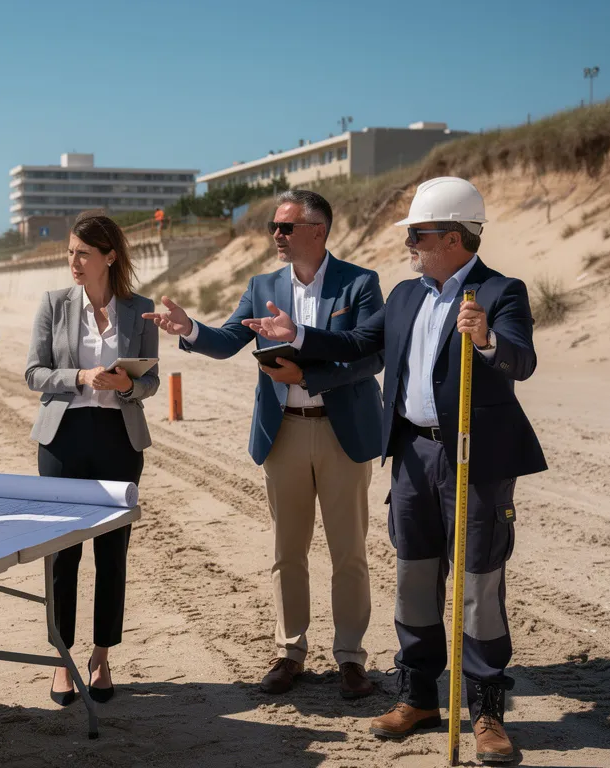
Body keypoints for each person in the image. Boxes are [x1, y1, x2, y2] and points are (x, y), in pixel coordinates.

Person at [243, 177, 546, 764]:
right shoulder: (406, 295)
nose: (410, 241)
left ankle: (485, 712)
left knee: (480, 586)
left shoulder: (500, 292)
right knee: (412, 579)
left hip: (474, 459)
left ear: (454, 237)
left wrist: (485, 340)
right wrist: (299, 335)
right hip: (411, 455)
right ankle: (419, 697)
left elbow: (522, 360)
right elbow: (357, 342)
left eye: (419, 233)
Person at [141, 190, 385, 699]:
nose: (276, 234)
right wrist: (189, 329)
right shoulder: (262, 284)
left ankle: (350, 659)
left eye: (286, 227)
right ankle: (289, 651)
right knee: (286, 551)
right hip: (284, 432)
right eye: (273, 227)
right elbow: (229, 339)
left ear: (317, 230)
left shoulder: (360, 283)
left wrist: (310, 375)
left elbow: (370, 356)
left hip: (343, 433)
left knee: (350, 553)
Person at [25, 212, 159, 705]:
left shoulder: (140, 309)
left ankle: (101, 656)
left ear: (109, 256)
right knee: (63, 553)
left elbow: (151, 380)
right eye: (69, 252)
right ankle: (61, 658)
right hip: (62, 439)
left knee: (112, 552)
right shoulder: (54, 304)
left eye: (83, 253)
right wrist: (80, 378)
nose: (73, 262)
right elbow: (34, 373)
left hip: (118, 439)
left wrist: (127, 384)